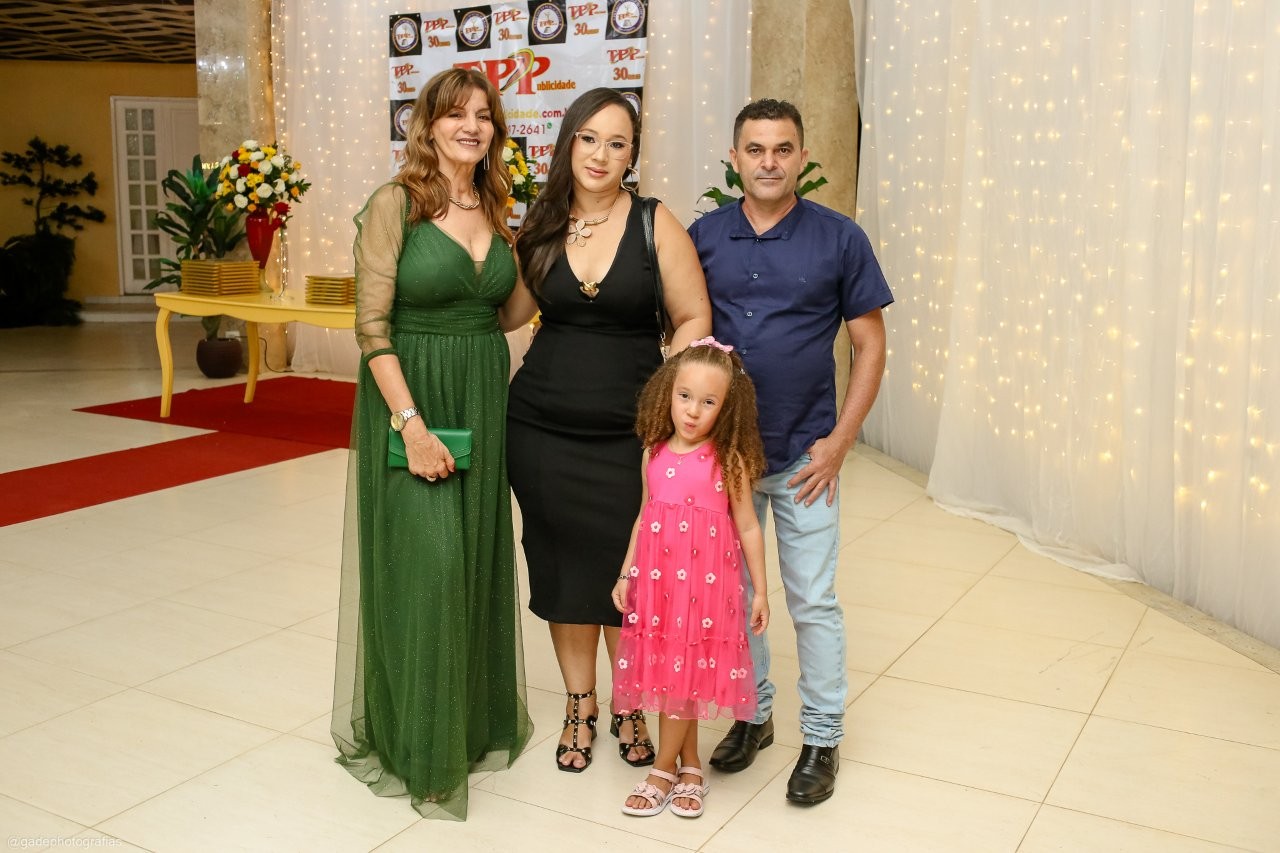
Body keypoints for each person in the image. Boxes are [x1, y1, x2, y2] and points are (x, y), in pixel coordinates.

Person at [331, 67, 535, 820]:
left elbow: (507, 312)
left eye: (484, 115)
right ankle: (419, 744)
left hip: (480, 391)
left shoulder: (498, 206)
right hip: (410, 397)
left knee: (474, 557)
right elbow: (370, 329)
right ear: (428, 124)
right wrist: (410, 426)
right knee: (430, 564)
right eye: (456, 114)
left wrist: (546, 255)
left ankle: (466, 726)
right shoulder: (395, 204)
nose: (471, 126)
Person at [687, 98, 893, 805]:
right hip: (726, 457)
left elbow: (870, 345)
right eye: (756, 149)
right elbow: (680, 331)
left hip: (807, 456)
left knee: (811, 601)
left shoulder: (840, 239)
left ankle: (822, 737)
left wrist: (840, 443)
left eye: (782, 149)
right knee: (736, 596)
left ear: (802, 157)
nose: (769, 162)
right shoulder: (704, 237)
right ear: (735, 158)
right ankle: (754, 715)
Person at [506, 87, 712, 773]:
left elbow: (693, 317)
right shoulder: (542, 224)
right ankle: (580, 703)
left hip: (631, 435)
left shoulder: (656, 222)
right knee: (564, 572)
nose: (600, 154)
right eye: (589, 138)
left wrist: (671, 400)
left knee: (631, 574)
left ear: (632, 155)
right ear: (569, 142)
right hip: (540, 429)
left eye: (617, 143)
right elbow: (509, 314)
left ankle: (630, 701)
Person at [610, 339, 770, 819]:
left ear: (726, 407)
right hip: (659, 586)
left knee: (687, 673)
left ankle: (662, 769)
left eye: (708, 402)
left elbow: (748, 526)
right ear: (668, 392)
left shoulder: (728, 460)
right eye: (684, 396)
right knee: (672, 673)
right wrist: (626, 572)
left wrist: (761, 590)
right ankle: (692, 766)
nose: (693, 411)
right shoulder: (653, 452)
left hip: (705, 590)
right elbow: (644, 515)